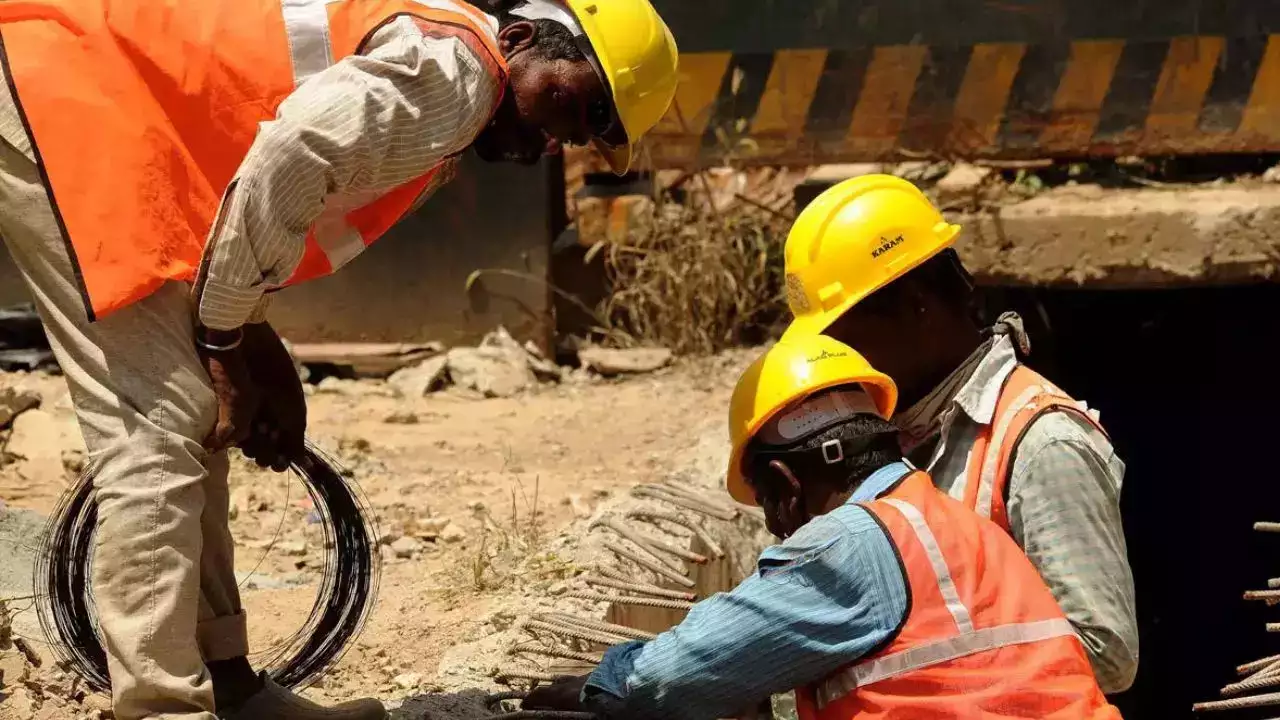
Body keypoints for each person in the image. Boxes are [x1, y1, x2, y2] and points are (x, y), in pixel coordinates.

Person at [0, 0, 677, 717]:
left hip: (99, 108)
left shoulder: (448, 68)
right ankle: (165, 705)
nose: (562, 135)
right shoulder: (455, 75)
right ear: (516, 39)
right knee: (160, 427)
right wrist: (225, 339)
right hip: (62, 99)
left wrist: (249, 339)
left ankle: (224, 683)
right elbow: (291, 151)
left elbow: (257, 192)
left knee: (193, 415)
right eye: (575, 100)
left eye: (589, 132)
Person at [525, 335, 1122, 720]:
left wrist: (589, 687)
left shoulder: (848, 543)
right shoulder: (961, 528)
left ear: (785, 483)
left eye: (765, 501)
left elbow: (669, 680)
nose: (777, 529)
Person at [779, 173, 1138, 692]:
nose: (836, 361)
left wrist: (911, 653)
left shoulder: (1043, 444)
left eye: (844, 336)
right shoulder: (900, 433)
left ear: (917, 306)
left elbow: (1106, 653)